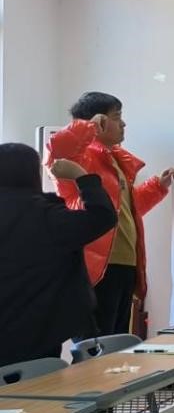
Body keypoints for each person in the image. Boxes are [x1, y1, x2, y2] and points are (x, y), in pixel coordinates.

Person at [46, 92, 174, 336]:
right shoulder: (82, 157)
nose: (123, 123)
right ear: (100, 121)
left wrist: (158, 186)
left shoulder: (115, 161)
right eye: (117, 117)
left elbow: (127, 209)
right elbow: (58, 148)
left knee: (117, 344)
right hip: (96, 269)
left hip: (124, 265)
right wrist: (87, 126)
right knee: (95, 345)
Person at [0, 144, 116, 367]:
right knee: (39, 383)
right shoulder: (47, 216)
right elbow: (102, 216)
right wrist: (82, 177)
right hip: (39, 330)